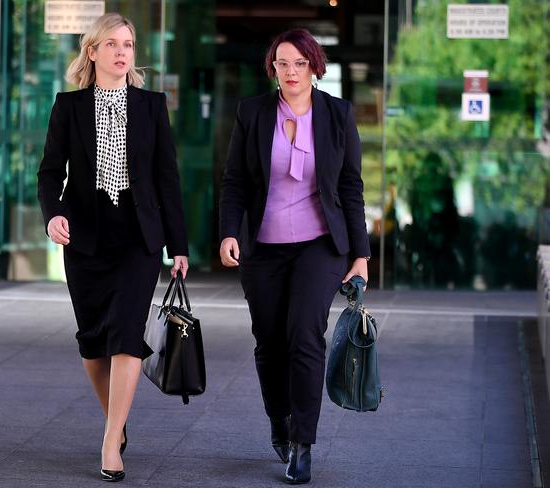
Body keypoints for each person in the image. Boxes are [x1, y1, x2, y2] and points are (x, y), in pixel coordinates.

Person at [37, 13, 188, 483]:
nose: (123, 52)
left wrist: (178, 245)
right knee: (92, 344)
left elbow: (167, 178)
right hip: (85, 235)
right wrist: (53, 215)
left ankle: (110, 440)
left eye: (129, 45)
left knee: (125, 334)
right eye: (113, 44)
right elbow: (49, 174)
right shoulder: (68, 106)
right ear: (93, 52)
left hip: (138, 236)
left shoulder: (151, 105)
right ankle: (116, 423)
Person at [218, 28, 370, 484]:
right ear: (273, 69)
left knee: (305, 336)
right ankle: (279, 423)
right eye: (282, 64)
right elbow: (235, 182)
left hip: (320, 245)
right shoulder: (253, 113)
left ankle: (303, 441)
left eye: (299, 63)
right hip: (263, 247)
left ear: (314, 67)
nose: (290, 72)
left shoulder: (337, 115)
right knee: (269, 343)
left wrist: (360, 253)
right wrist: (229, 232)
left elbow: (350, 188)